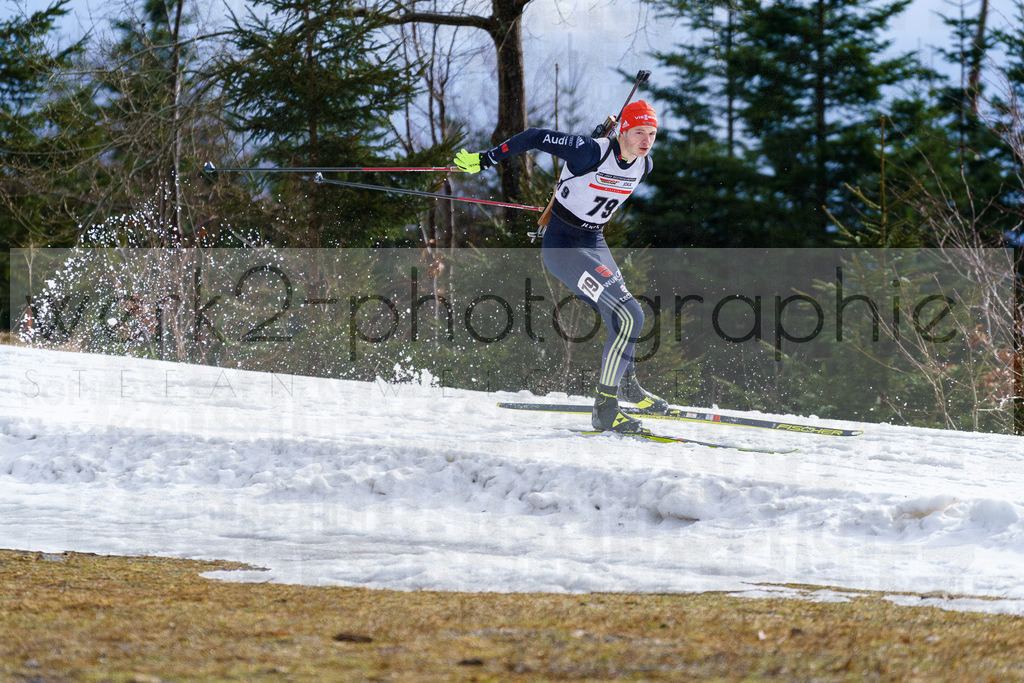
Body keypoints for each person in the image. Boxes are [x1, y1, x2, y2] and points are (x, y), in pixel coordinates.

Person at [453, 100, 668, 434]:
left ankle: (626, 385)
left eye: (652, 133)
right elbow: (535, 136)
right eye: (639, 131)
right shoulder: (590, 151)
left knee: (621, 316)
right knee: (631, 315)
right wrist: (486, 159)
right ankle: (605, 409)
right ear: (623, 130)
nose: (646, 140)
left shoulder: (644, 165)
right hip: (564, 247)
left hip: (594, 242)